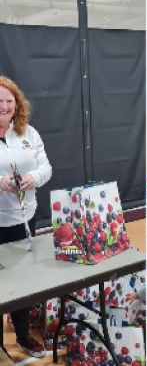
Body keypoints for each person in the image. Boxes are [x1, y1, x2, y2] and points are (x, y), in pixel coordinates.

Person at [0, 76, 52, 358]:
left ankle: (22, 335)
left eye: (9, 100)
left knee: (22, 281)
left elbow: (47, 168)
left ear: (17, 104)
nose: (4, 106)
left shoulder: (29, 133)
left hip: (24, 220)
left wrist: (32, 177)